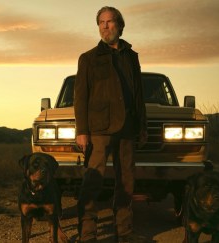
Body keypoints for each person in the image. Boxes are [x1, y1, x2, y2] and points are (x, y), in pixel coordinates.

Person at [74, 6, 148, 242]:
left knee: (126, 182)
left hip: (127, 128)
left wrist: (142, 127)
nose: (105, 26)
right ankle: (87, 234)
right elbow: (80, 97)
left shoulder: (131, 56)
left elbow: (138, 95)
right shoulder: (88, 58)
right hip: (99, 130)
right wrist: (82, 131)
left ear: (120, 25)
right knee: (92, 181)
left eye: (110, 21)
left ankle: (124, 233)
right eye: (101, 23)